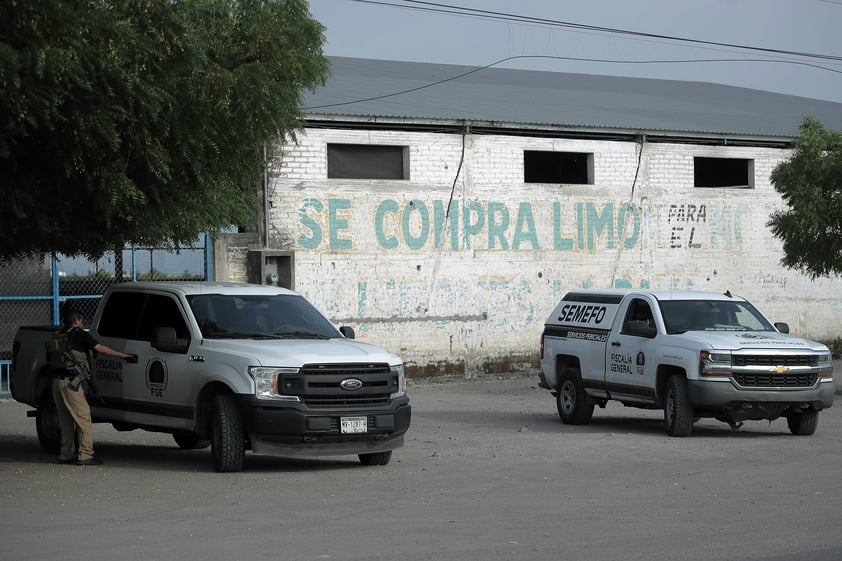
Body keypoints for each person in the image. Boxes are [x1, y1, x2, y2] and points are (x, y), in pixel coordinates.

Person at [51, 308, 133, 466]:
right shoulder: (79, 334)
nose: (82, 323)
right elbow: (100, 348)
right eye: (81, 321)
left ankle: (66, 454)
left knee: (66, 419)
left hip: (56, 382)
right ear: (76, 322)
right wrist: (121, 355)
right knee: (83, 417)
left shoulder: (58, 335)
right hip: (70, 383)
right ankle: (85, 455)